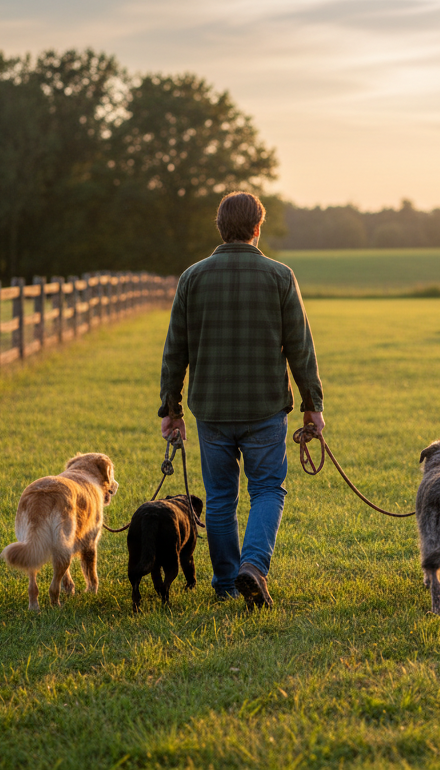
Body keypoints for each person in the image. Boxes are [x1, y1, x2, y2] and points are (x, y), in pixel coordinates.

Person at [158, 192, 325, 608]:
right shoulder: (280, 275)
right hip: (265, 407)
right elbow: (300, 348)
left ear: (220, 227)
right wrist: (312, 405)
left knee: (219, 501)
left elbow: (174, 351)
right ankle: (253, 566)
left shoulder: (192, 277)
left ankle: (227, 583)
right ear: (257, 228)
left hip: (211, 410)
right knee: (267, 490)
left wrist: (171, 409)